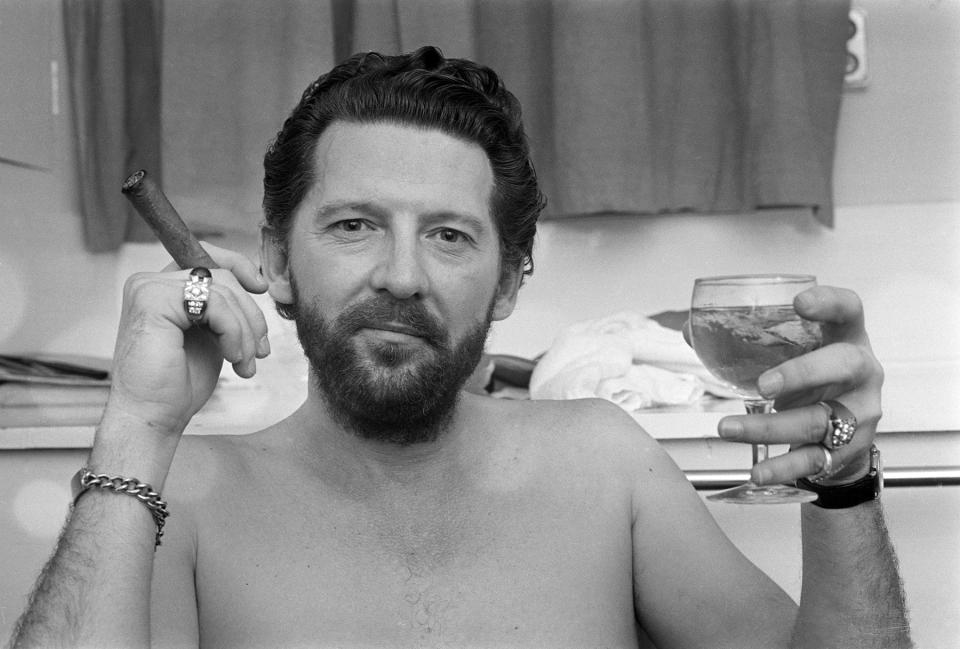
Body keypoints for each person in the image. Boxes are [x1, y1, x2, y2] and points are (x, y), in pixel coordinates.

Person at [11, 46, 911, 649]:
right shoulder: (184, 495)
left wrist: (846, 487)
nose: (402, 276)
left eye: (448, 235)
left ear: (512, 279)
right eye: (356, 224)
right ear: (278, 260)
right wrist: (136, 420)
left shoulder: (604, 465)